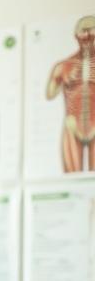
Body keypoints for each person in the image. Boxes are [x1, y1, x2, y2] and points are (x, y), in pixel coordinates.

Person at [45, 14, 95, 173]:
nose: (87, 35)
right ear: (76, 36)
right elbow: (50, 93)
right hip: (72, 125)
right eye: (83, 31)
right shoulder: (63, 66)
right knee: (72, 184)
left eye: (91, 31)